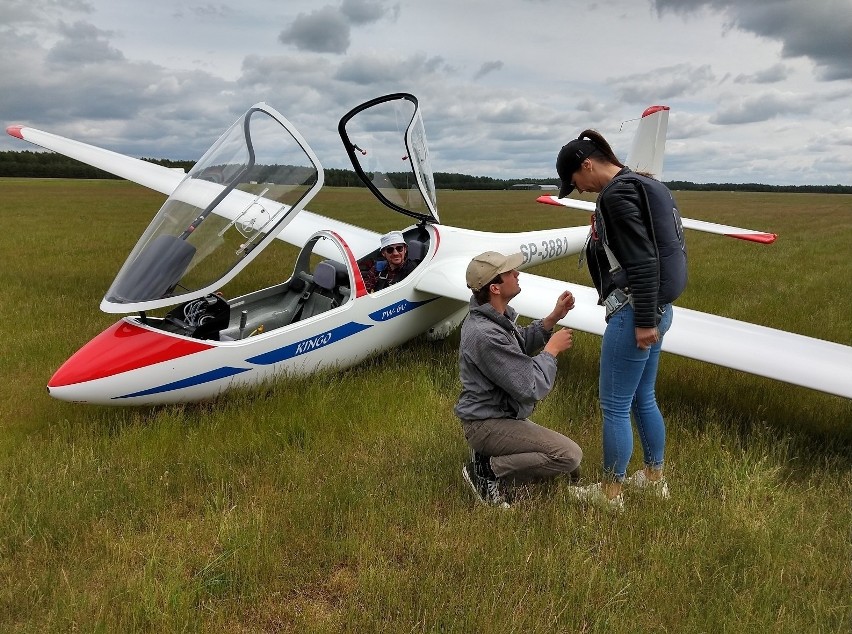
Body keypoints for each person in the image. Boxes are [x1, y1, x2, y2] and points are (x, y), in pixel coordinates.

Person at [555, 129, 688, 509]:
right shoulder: (645, 183)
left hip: (637, 312)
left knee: (614, 405)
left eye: (574, 181)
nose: (577, 189)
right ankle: (653, 477)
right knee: (643, 396)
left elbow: (644, 260)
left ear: (587, 165)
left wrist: (643, 320)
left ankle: (611, 493)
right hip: (661, 309)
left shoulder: (617, 195)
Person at [455, 251, 583, 507]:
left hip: (495, 418)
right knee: (568, 457)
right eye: (509, 273)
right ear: (494, 287)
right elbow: (529, 386)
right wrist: (551, 351)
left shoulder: (492, 319)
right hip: (486, 424)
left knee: (566, 461)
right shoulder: (484, 333)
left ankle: (492, 460)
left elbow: (516, 346)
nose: (517, 274)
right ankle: (486, 470)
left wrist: (551, 319)